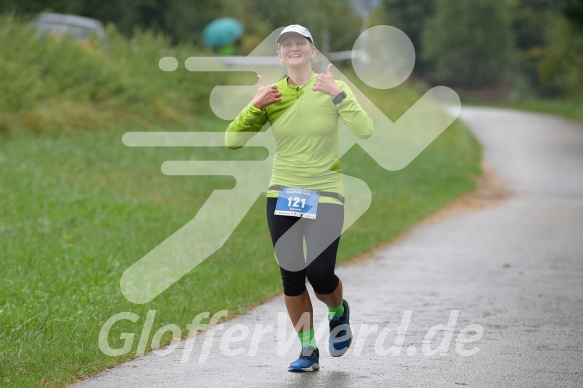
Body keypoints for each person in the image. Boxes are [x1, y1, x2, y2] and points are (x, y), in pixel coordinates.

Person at [225, 24, 372, 372]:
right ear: (279, 54)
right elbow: (232, 140)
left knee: (321, 274)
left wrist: (339, 94)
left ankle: (338, 311)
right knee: (291, 275)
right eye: (286, 44)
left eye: (299, 43)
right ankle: (308, 350)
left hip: (325, 193)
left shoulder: (330, 87)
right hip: (283, 193)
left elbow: (365, 129)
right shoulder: (271, 95)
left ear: (312, 51)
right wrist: (254, 105)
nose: (293, 48)